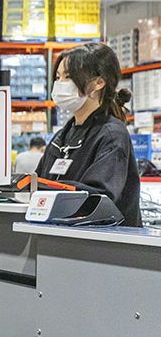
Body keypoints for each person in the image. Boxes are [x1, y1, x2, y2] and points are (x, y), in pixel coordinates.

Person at [37, 42, 141, 226]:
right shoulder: (61, 137)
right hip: (61, 237)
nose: (60, 85)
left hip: (105, 244)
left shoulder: (111, 135)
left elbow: (99, 196)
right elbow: (38, 183)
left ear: (99, 82)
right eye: (58, 77)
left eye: (69, 77)